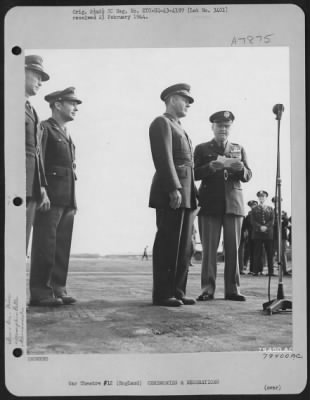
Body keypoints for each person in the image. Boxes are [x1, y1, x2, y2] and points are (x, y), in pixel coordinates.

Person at [29, 87, 82, 307]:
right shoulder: (45, 128)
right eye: (72, 103)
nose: (76, 108)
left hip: (67, 197)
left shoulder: (66, 133)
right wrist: (42, 189)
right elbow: (38, 161)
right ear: (58, 105)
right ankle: (41, 292)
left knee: (62, 245)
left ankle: (58, 288)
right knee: (46, 244)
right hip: (50, 196)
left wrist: (72, 200)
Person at [149, 83, 198, 307]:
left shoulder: (180, 127)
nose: (188, 103)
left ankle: (177, 290)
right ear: (170, 99)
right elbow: (163, 157)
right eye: (184, 98)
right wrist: (173, 188)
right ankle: (162, 293)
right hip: (173, 190)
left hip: (187, 193)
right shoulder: (162, 123)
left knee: (185, 246)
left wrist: (193, 195)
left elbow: (190, 166)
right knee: (168, 242)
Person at [194, 111, 252, 301]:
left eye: (227, 126)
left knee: (233, 249)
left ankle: (232, 290)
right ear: (213, 127)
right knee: (209, 250)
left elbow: (249, 175)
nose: (223, 130)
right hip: (209, 204)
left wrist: (241, 169)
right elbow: (194, 173)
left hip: (233, 205)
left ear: (230, 128)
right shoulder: (202, 149)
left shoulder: (238, 148)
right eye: (220, 126)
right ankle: (207, 289)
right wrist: (211, 167)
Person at [25, 55, 51, 253]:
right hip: (15, 188)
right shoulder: (9, 103)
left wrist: (41, 185)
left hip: (31, 188)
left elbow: (37, 153)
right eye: (36, 75)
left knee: (20, 245)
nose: (40, 82)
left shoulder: (32, 111)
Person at [251, 191, 275, 276]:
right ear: (258, 198)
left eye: (263, 197)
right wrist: (260, 227)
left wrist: (266, 227)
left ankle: (271, 271)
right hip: (258, 233)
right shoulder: (254, 209)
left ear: (266, 198)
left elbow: (272, 220)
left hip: (268, 234)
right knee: (257, 253)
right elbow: (252, 221)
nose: (262, 198)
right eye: (260, 197)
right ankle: (256, 271)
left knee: (270, 253)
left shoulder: (270, 208)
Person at [239, 200, 258, 274]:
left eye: (254, 205)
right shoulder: (248, 216)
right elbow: (244, 226)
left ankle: (257, 269)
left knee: (257, 252)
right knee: (249, 251)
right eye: (251, 206)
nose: (253, 207)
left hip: (258, 235)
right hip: (249, 236)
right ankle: (249, 268)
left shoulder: (259, 214)